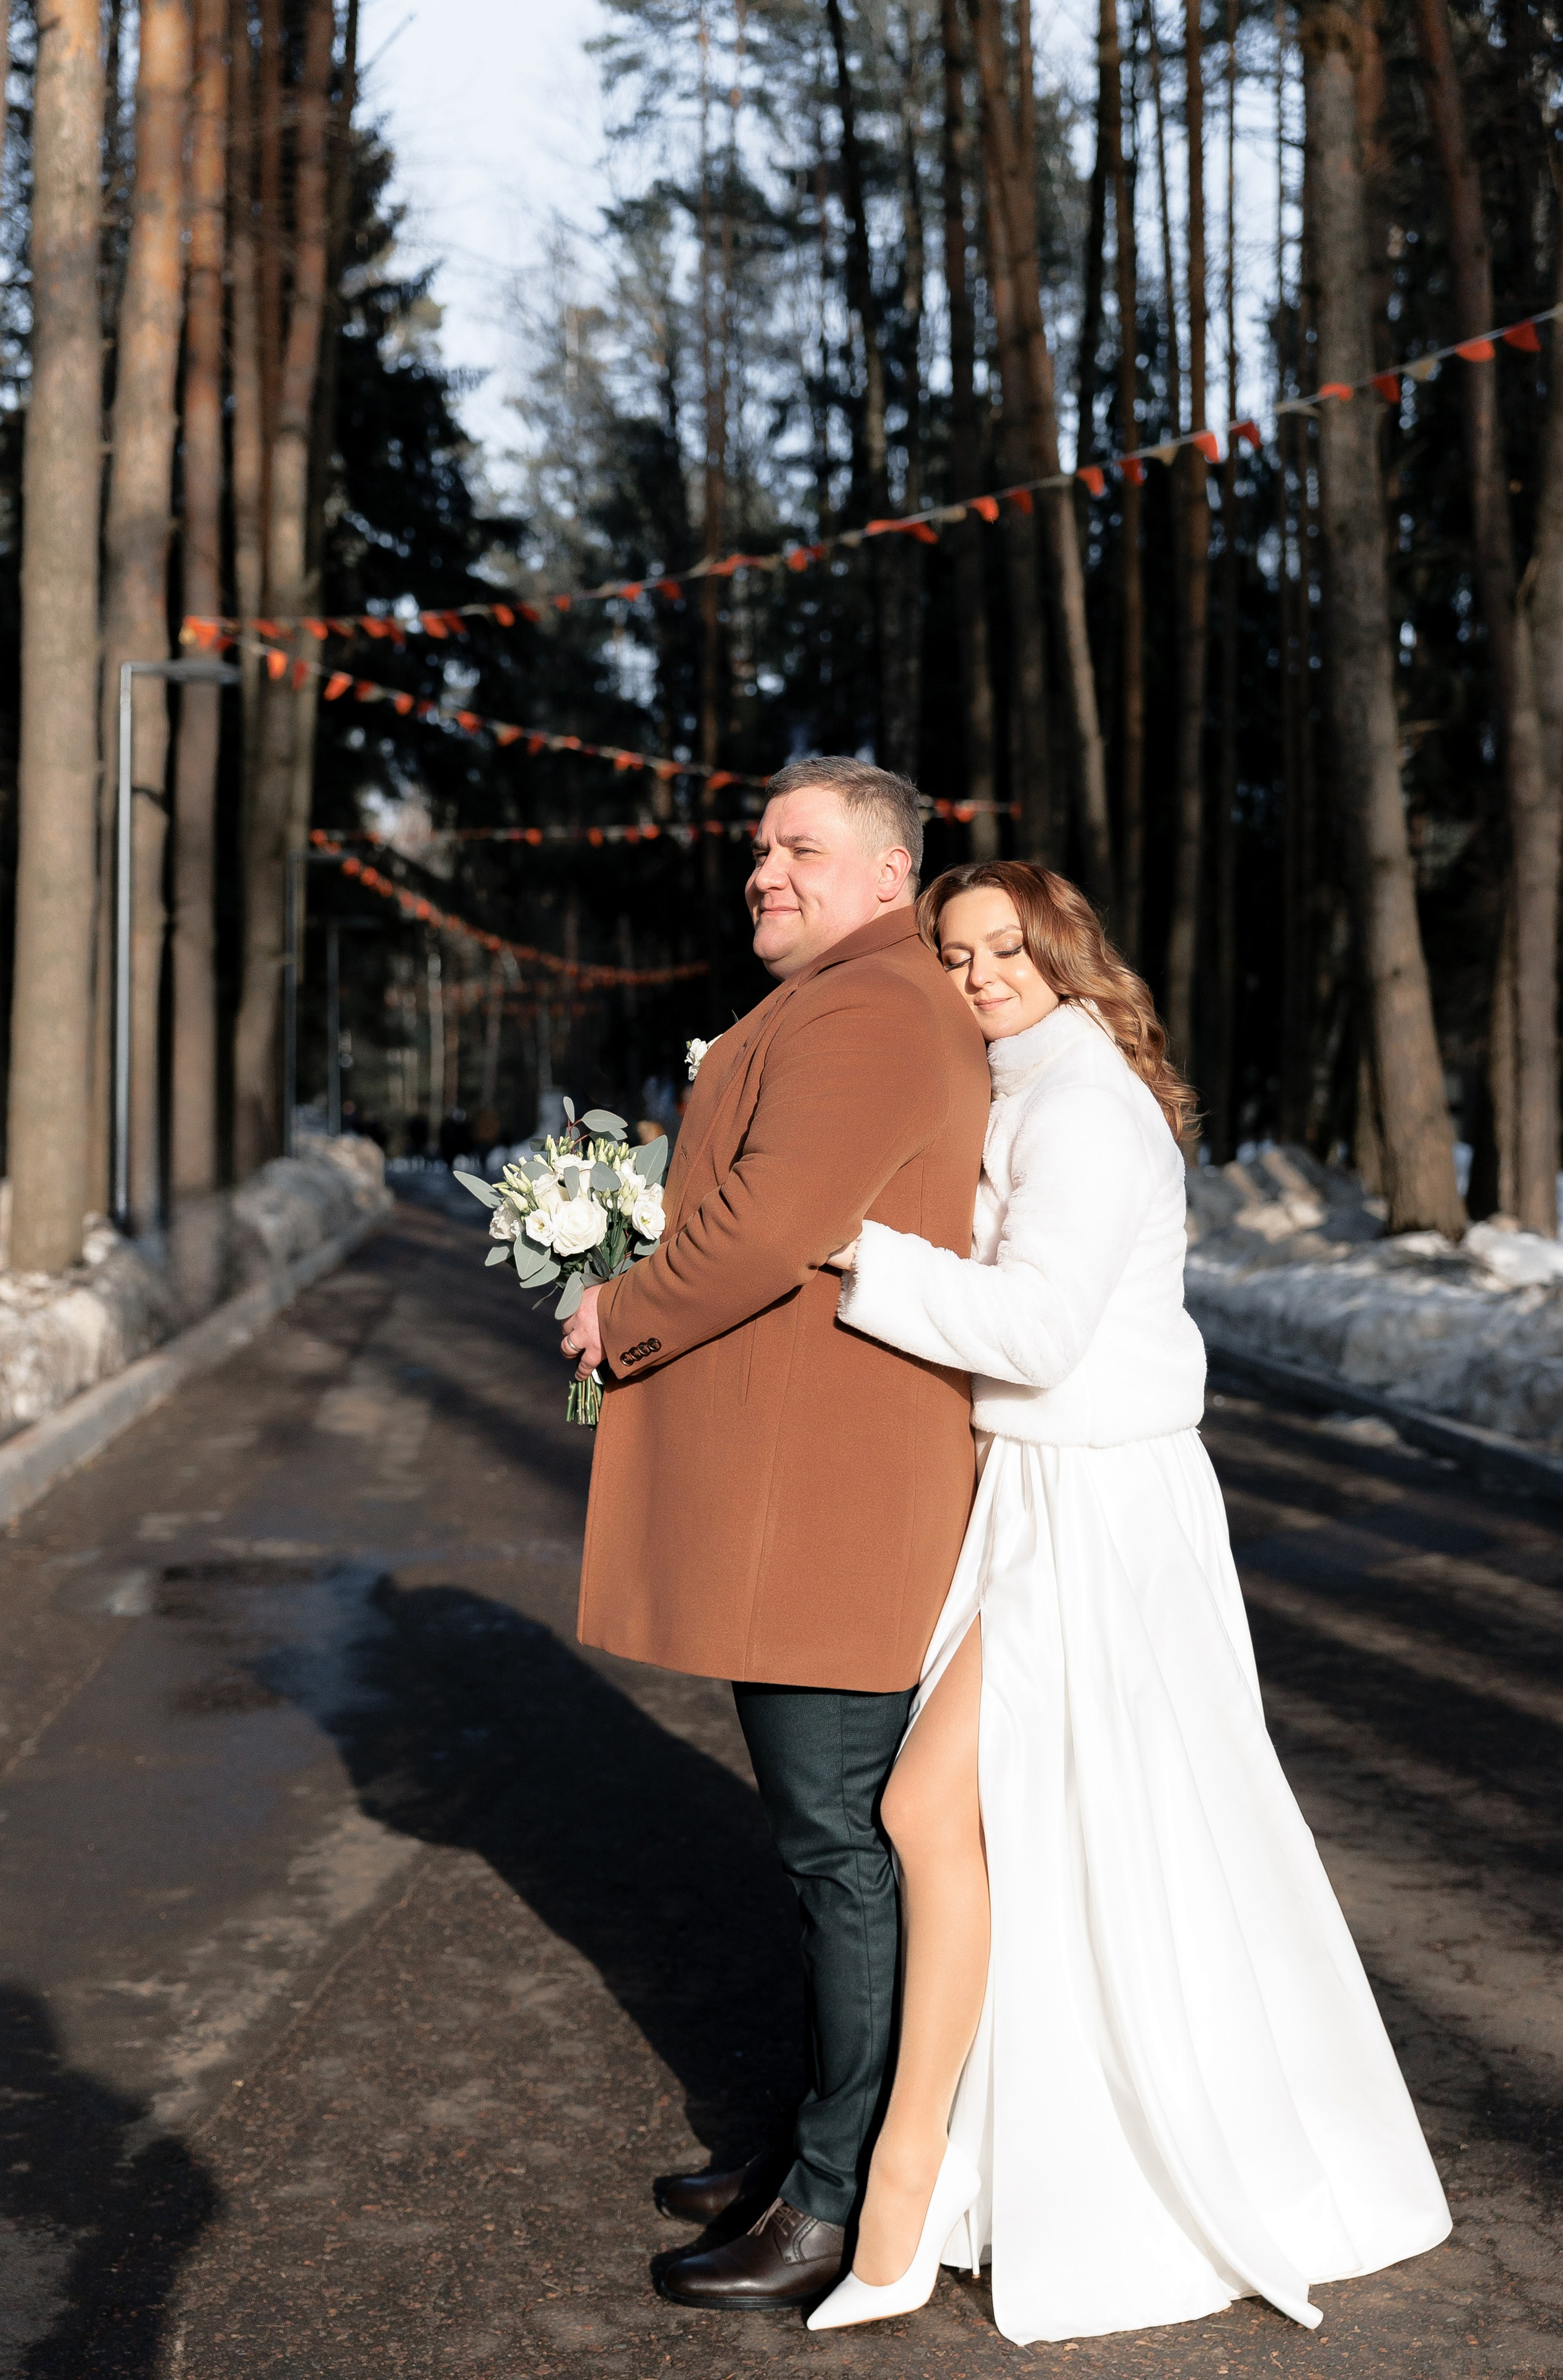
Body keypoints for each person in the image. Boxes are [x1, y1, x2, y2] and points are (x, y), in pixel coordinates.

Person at [804, 860, 1451, 2342]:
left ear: (1061, 954)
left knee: (942, 1808)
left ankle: (905, 2184)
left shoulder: (1085, 1108)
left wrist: (859, 1251)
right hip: (1043, 1493)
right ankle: (955, 2169)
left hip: (1094, 1500)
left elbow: (1037, 1331)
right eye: (954, 955)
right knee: (1046, 1830)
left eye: (1003, 950)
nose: (978, 976)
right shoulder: (1025, 1089)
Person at [561, 757, 988, 2311]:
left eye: (799, 846)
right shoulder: (839, 997)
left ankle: (838, 2189)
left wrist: (618, 1311)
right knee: (823, 1843)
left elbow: (762, 1226)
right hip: (808, 1488)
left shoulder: (871, 1005)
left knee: (840, 1848)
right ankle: (811, 2142)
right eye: (757, 847)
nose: (763, 869)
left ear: (887, 874)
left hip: (834, 1498)